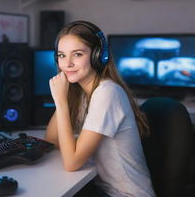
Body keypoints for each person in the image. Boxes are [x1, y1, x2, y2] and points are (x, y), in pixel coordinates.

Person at [45, 21, 156, 197]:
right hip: (104, 192)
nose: (67, 64)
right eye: (61, 55)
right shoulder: (81, 93)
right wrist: (64, 96)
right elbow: (51, 141)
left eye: (78, 54)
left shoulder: (107, 93)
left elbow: (71, 163)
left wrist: (60, 102)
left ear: (98, 56)